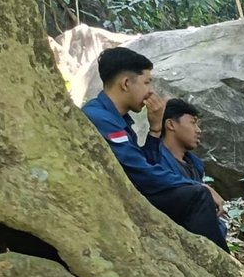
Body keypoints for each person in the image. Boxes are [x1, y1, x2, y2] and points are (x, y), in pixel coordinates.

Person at [81, 47, 226, 250]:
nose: (151, 90)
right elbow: (138, 172)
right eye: (147, 82)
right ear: (125, 83)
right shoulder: (99, 117)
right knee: (197, 195)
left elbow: (145, 163)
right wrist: (201, 187)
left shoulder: (118, 120)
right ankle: (222, 269)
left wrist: (155, 129)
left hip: (128, 195)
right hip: (110, 201)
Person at [157, 99, 227, 234]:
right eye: (193, 123)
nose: (198, 130)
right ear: (171, 124)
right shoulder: (156, 161)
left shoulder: (194, 165)